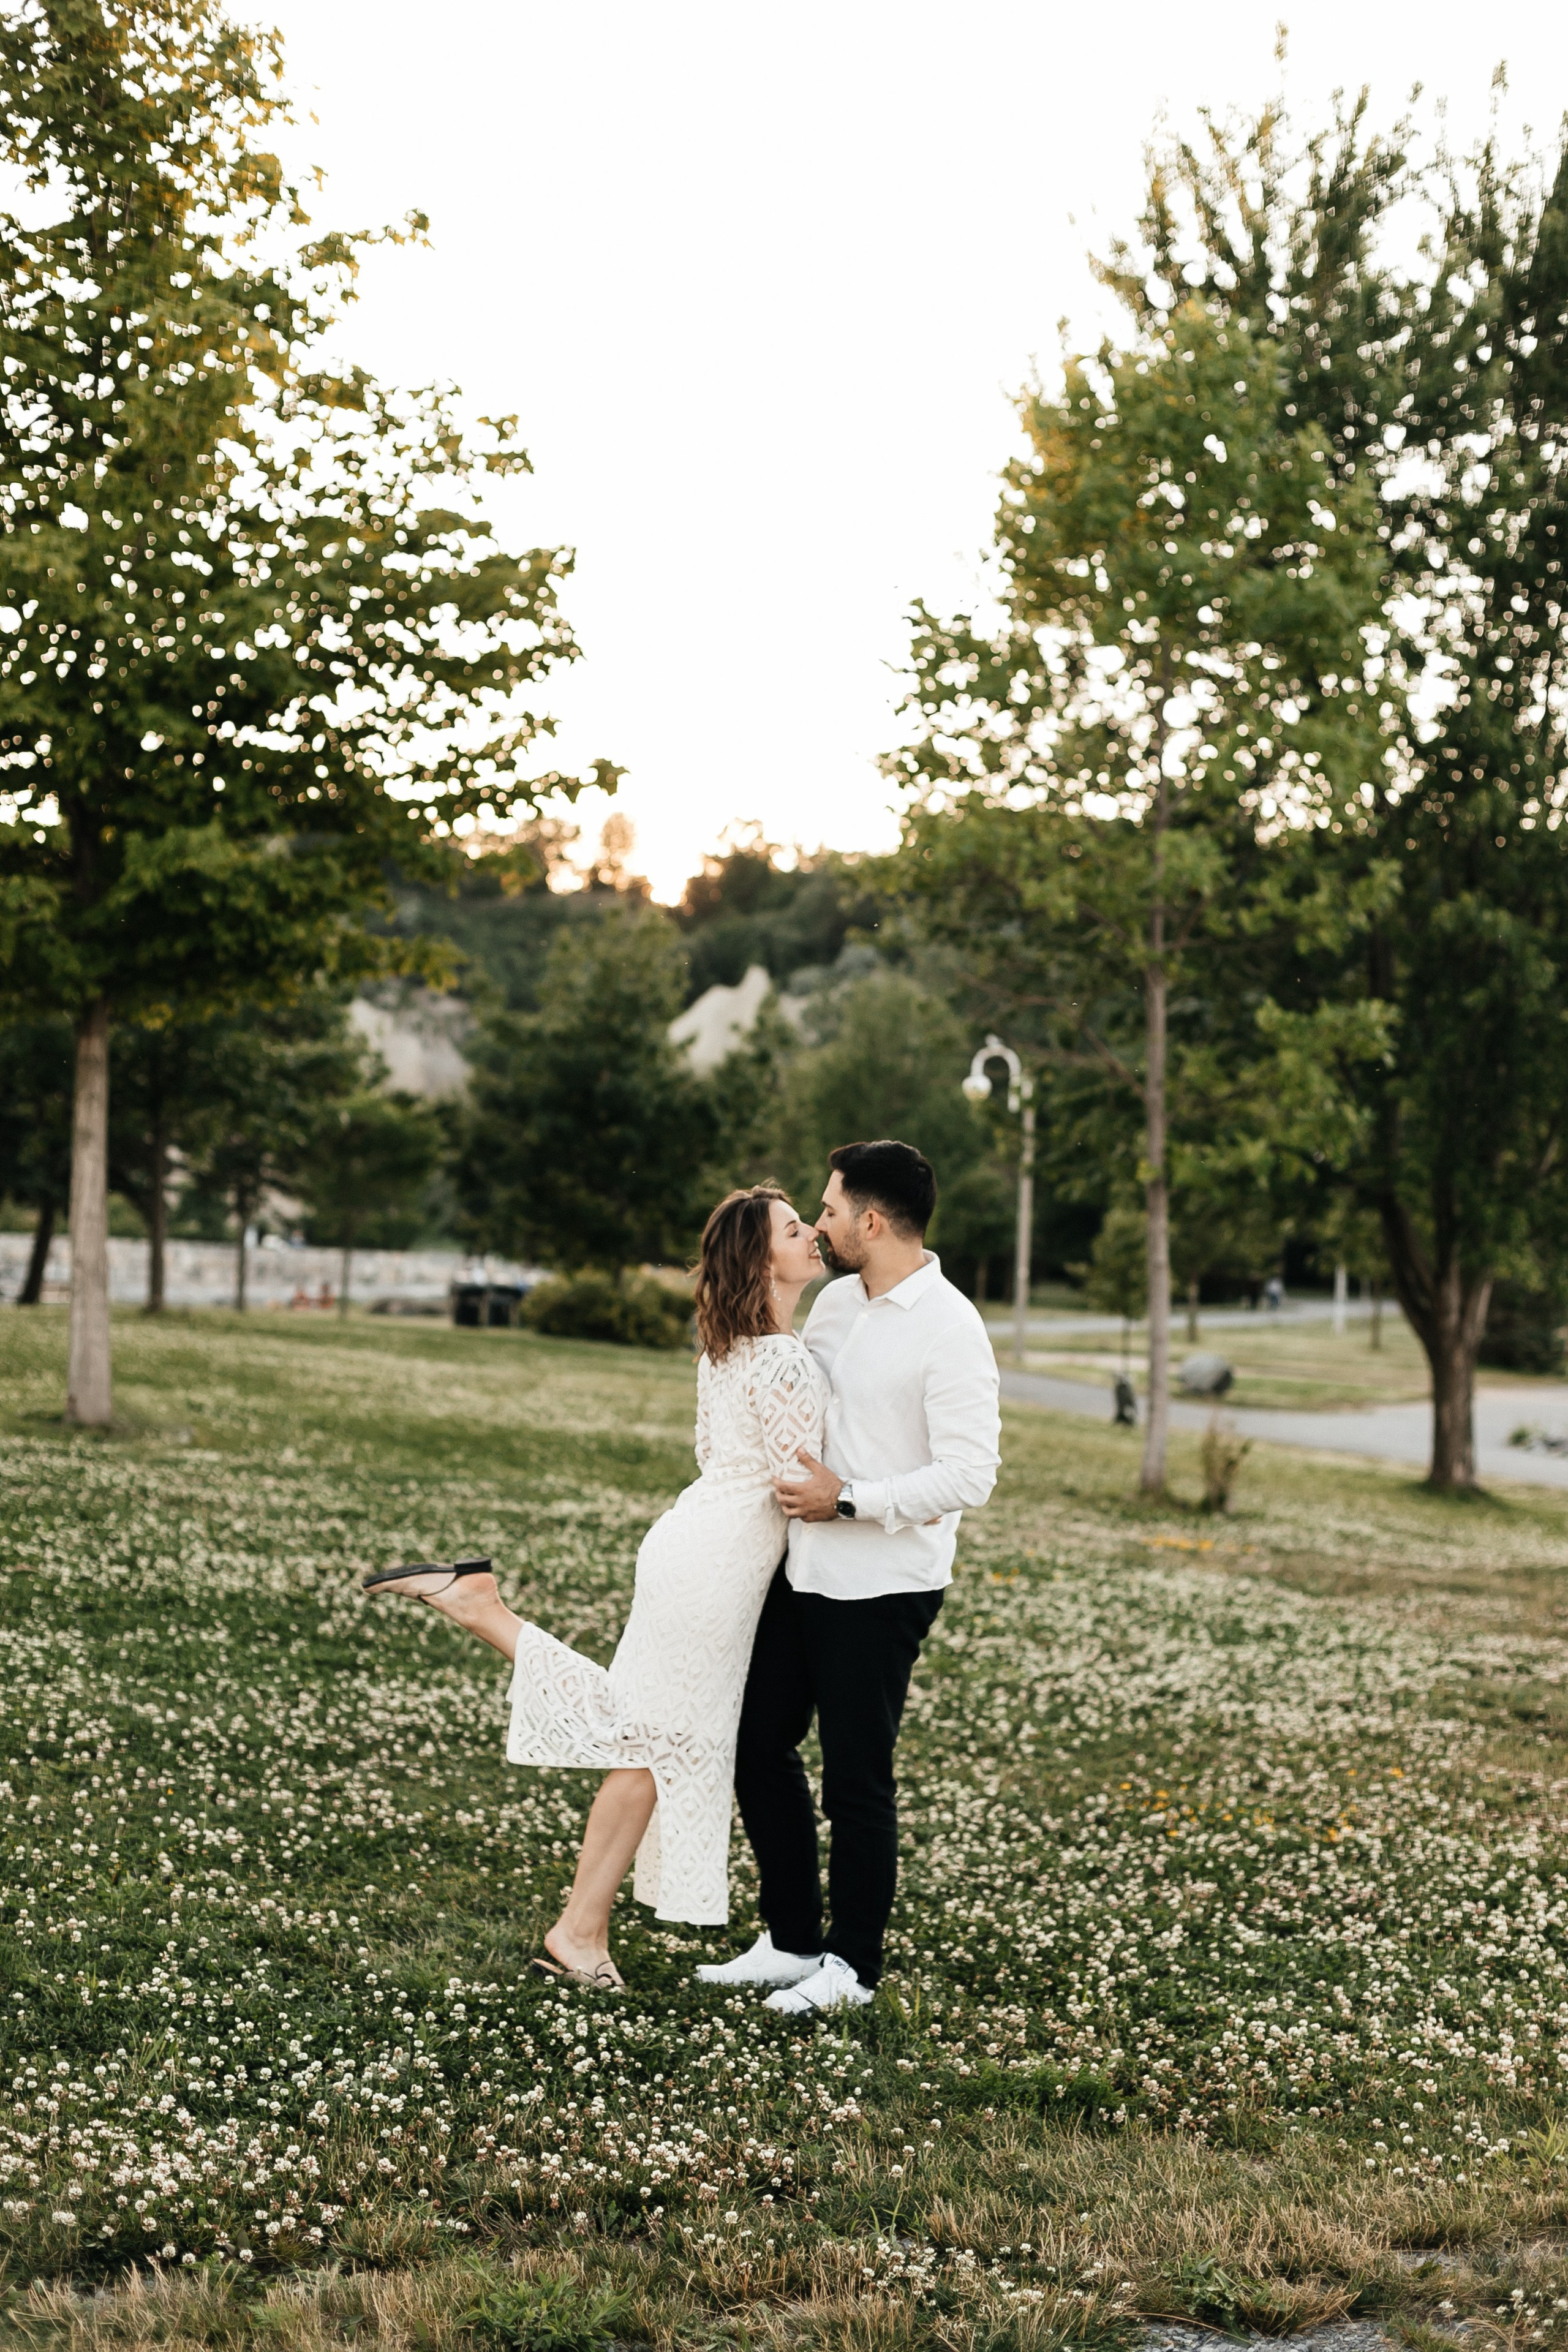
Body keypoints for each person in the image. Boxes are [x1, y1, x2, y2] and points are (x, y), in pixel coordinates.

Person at [360, 1185, 827, 1989]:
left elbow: (720, 1458)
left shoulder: (726, 1353)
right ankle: (483, 1612)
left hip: (689, 1543)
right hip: (721, 1561)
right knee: (650, 1741)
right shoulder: (784, 1358)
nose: (813, 1234)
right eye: (795, 1229)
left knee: (643, 1741)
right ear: (763, 1261)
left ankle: (582, 1931)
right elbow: (798, 1485)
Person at [696, 1139, 1001, 2014]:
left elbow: (970, 1474)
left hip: (884, 1584)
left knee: (857, 1780)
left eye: (828, 1211)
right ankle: (792, 1939)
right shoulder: (833, 1304)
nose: (820, 1225)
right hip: (805, 1569)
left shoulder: (951, 1327)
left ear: (872, 1220)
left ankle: (852, 1970)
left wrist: (851, 1500)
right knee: (757, 1742)